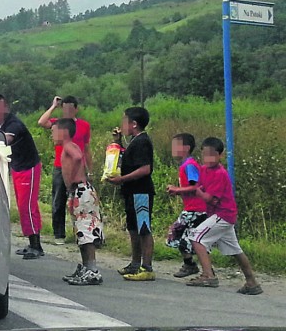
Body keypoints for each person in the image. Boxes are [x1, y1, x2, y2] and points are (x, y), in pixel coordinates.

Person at [184, 137, 262, 295]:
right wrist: (180, 189)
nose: (208, 159)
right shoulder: (205, 170)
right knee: (235, 250)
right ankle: (252, 282)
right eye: (205, 155)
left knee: (196, 238)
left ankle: (208, 276)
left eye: (212, 155)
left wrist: (195, 189)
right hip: (221, 215)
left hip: (223, 215)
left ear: (220, 155)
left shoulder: (220, 174)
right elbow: (197, 184)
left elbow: (208, 198)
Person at [0, 94, 43, 259]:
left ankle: (36, 245)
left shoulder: (14, 123)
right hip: (16, 167)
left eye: (1, 108)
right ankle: (32, 242)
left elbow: (6, 139)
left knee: (27, 206)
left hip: (29, 166)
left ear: (6, 108)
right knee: (21, 205)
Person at [107, 107, 155, 281]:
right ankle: (135, 263)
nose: (122, 125)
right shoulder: (135, 141)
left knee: (143, 228)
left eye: (124, 121)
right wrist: (119, 143)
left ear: (134, 124)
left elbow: (145, 169)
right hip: (131, 191)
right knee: (133, 228)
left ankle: (147, 267)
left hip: (141, 191)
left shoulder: (142, 141)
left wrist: (122, 179)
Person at [54, 118, 104, 285]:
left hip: (81, 190)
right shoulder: (69, 146)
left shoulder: (69, 146)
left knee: (86, 230)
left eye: (55, 131)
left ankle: (92, 270)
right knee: (80, 232)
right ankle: (86, 267)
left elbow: (77, 157)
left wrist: (71, 177)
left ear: (64, 132)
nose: (52, 135)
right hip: (79, 191)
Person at [38, 96, 92, 245]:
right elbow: (42, 122)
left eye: (70, 108)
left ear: (76, 109)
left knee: (79, 202)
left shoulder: (84, 125)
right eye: (64, 108)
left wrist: (90, 169)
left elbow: (86, 148)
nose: (67, 111)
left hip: (78, 167)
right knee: (58, 200)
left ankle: (81, 233)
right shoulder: (58, 124)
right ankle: (59, 233)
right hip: (60, 166)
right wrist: (53, 106)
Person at [166, 133, 208, 278]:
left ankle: (198, 267)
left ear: (186, 148)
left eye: (176, 146)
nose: (173, 149)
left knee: (182, 235)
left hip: (197, 210)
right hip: (190, 209)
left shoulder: (190, 165)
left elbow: (197, 186)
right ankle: (191, 264)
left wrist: (177, 190)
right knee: (178, 234)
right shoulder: (186, 165)